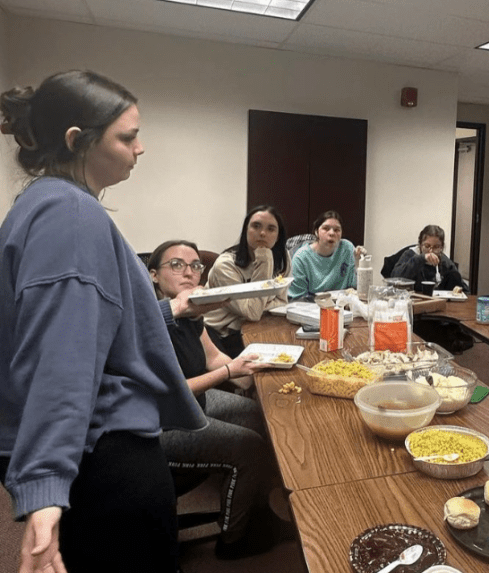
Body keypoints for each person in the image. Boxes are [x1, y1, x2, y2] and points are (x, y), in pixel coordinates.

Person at [0, 70, 207, 573]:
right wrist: (46, 484)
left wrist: (165, 311)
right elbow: (60, 356)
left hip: (89, 453)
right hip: (103, 457)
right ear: (79, 141)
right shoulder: (72, 216)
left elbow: (92, 322)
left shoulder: (42, 203)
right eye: (128, 136)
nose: (140, 149)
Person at [148, 240, 287, 559]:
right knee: (248, 448)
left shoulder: (192, 315)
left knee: (258, 414)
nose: (189, 272)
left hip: (196, 404)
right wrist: (229, 372)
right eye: (177, 265)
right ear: (154, 275)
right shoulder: (149, 323)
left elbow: (212, 358)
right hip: (164, 426)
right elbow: (174, 391)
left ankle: (254, 506)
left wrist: (259, 373)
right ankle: (232, 539)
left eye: (196, 266)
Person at [204, 205, 290, 357]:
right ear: (246, 231)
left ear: (278, 236)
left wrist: (257, 305)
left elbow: (282, 303)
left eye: (271, 229)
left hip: (259, 326)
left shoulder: (283, 259)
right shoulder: (225, 265)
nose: (262, 233)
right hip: (221, 334)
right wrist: (264, 260)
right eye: (256, 226)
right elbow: (252, 313)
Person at [288, 210, 366, 300]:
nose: (332, 233)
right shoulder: (301, 257)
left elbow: (356, 288)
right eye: (326, 228)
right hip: (312, 307)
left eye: (337, 230)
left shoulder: (347, 248)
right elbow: (298, 298)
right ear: (316, 231)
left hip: (343, 306)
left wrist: (359, 264)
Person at [390, 225, 468, 292]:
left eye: (436, 247)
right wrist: (421, 258)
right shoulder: (410, 255)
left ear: (442, 247)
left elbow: (464, 290)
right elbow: (394, 279)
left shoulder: (445, 262)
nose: (431, 251)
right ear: (420, 245)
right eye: (427, 246)